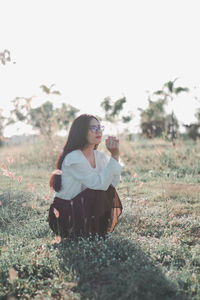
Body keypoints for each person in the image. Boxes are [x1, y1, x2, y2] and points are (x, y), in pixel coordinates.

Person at [48, 114, 122, 238]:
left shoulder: (100, 156)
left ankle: (95, 231)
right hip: (63, 213)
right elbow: (100, 184)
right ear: (81, 132)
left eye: (100, 127)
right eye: (93, 128)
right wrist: (114, 157)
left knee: (107, 191)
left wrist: (115, 157)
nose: (98, 131)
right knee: (97, 191)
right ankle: (84, 232)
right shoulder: (74, 158)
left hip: (82, 206)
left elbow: (112, 183)